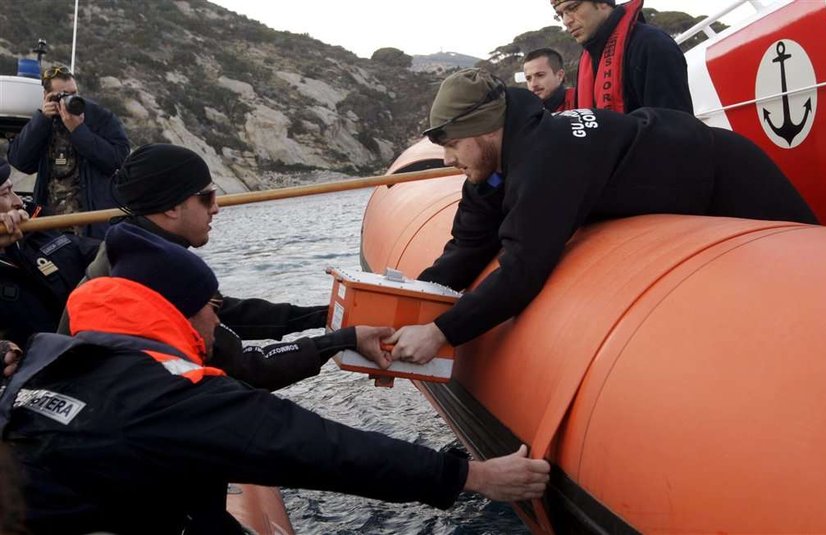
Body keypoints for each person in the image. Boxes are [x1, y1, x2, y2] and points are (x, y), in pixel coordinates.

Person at [0, 223, 550, 534]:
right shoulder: (166, 394)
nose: (219, 317)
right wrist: (469, 478)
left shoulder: (52, 355)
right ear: (181, 312)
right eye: (210, 306)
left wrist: (337, 334)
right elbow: (314, 445)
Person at [384, 68, 817, 364]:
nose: (447, 157)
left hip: (727, 171)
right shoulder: (495, 166)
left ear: (483, 130)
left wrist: (441, 332)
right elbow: (470, 244)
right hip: (683, 169)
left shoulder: (546, 157)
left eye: (453, 144)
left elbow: (523, 267)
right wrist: (413, 303)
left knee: (812, 279)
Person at [57, 143, 390, 389]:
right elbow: (245, 370)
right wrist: (341, 340)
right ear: (172, 207)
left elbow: (227, 313)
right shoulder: (147, 276)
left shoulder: (132, 248)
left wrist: (323, 316)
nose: (216, 208)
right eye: (207, 198)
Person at [7, 65, 130, 238]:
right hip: (50, 225)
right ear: (46, 97)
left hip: (93, 225)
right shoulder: (44, 122)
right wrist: (41, 120)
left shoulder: (99, 117)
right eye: (62, 96)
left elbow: (118, 161)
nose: (69, 100)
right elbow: (20, 161)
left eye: (73, 93)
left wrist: (79, 130)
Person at [0, 158, 100, 348]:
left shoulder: (38, 226)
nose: (18, 201)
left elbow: (93, 252)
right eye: (5, 194)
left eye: (13, 190)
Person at [552, 0, 693, 113]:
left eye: (573, 7)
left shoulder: (650, 44)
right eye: (560, 14)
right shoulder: (587, 58)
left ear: (602, 2)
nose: (566, 21)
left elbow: (676, 130)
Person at [523, 48, 575, 112]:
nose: (533, 84)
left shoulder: (581, 99)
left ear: (560, 75)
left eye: (540, 75)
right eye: (528, 78)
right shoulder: (525, 113)